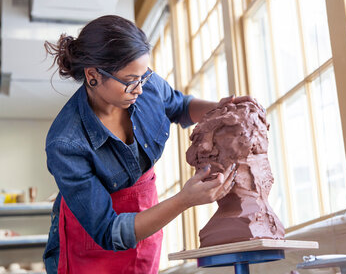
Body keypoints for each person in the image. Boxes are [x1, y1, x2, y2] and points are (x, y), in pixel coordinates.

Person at [42, 15, 247, 273]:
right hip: (92, 246)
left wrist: (221, 109)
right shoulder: (66, 142)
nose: (139, 88)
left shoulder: (146, 86)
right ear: (93, 75)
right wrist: (184, 200)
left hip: (145, 228)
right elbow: (108, 231)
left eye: (143, 76)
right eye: (130, 80)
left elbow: (181, 106)